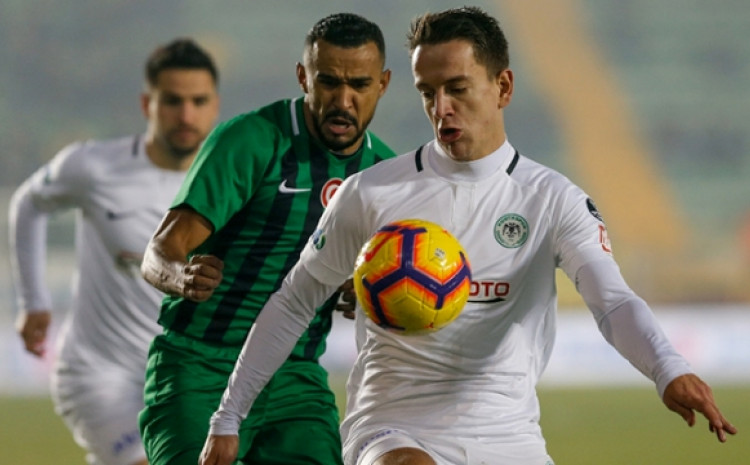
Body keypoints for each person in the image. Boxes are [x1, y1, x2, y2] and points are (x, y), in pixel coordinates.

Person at [199, 6, 738, 465]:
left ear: (503, 87)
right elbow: (294, 301)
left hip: (508, 435)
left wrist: (669, 369)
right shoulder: (371, 193)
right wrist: (228, 416)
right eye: (427, 92)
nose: (441, 109)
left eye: (456, 89)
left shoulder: (552, 200)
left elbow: (612, 301)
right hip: (392, 429)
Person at [138, 13, 395, 465]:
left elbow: (374, 276)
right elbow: (160, 252)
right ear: (303, 77)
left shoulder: (384, 174)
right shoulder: (253, 140)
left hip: (294, 375)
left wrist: (365, 291)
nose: (343, 100)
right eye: (328, 82)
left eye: (359, 84)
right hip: (201, 365)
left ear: (383, 84)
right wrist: (181, 277)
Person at [8, 39, 220, 465]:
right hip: (98, 372)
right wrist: (33, 302)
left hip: (182, 376)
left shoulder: (231, 182)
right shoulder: (94, 166)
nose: (186, 115)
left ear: (215, 106)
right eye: (172, 101)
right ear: (147, 104)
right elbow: (28, 203)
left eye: (198, 101)